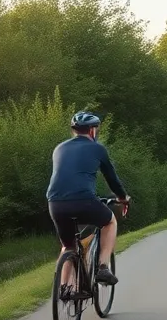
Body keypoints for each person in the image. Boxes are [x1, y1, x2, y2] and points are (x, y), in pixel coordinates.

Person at [46, 111, 129, 292]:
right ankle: (103, 267)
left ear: (74, 130)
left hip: (55, 203)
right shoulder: (97, 149)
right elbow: (112, 179)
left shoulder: (59, 148)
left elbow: (67, 177)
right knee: (109, 221)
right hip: (84, 200)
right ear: (92, 131)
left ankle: (64, 289)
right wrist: (123, 198)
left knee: (68, 246)